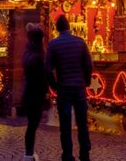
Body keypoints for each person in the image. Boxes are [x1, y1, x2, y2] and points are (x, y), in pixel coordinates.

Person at [45, 15, 93, 161]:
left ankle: (67, 155)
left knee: (65, 125)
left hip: (64, 89)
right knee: (82, 123)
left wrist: (55, 86)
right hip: (78, 88)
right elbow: (88, 64)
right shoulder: (80, 42)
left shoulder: (53, 45)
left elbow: (47, 70)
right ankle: (85, 154)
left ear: (57, 28)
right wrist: (86, 81)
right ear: (69, 27)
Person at [22, 23, 48, 161]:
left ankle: (28, 153)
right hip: (35, 94)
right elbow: (41, 79)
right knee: (33, 125)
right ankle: (28, 154)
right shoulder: (38, 57)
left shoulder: (27, 53)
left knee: (31, 125)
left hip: (28, 93)